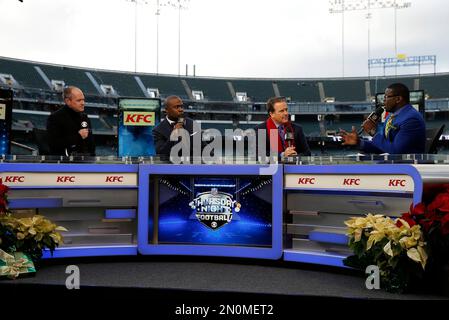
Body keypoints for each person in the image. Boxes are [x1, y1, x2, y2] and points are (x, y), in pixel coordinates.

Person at [340, 83, 425, 154]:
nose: (383, 101)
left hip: (406, 169)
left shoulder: (411, 119)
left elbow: (396, 151)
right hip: (393, 167)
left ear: (398, 99)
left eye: (386, 97)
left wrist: (373, 132)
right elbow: (383, 146)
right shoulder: (390, 117)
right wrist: (359, 142)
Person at [47, 86, 95, 156]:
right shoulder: (55, 118)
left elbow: (91, 144)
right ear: (68, 101)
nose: (83, 103)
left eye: (83, 100)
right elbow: (54, 144)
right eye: (79, 100)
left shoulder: (84, 117)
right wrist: (78, 136)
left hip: (87, 161)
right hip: (65, 162)